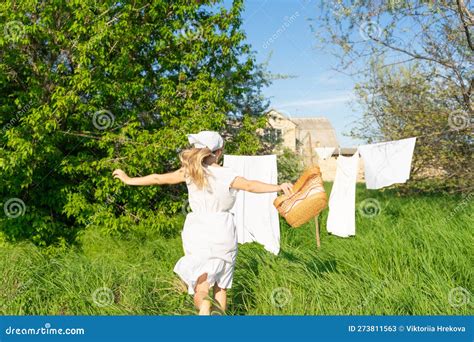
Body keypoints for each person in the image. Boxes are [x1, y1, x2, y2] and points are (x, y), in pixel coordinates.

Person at [112, 131, 293, 315]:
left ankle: (204, 307)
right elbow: (251, 185)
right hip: (222, 229)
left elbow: (158, 178)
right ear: (219, 152)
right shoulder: (226, 174)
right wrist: (278, 187)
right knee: (221, 287)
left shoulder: (190, 172)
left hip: (197, 230)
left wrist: (128, 179)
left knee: (201, 286)